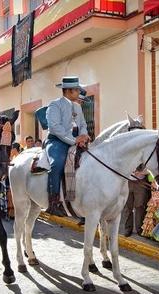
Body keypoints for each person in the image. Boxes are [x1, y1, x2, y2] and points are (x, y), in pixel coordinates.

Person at [44, 76, 90, 216]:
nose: (78, 92)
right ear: (69, 91)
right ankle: (54, 202)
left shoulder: (77, 106)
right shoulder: (55, 105)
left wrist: (82, 136)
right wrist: (74, 140)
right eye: (77, 90)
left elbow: (83, 124)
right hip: (57, 141)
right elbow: (55, 127)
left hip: (76, 140)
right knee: (57, 164)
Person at [121, 168, 150, 237]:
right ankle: (128, 228)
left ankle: (139, 229)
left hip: (141, 182)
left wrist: (142, 172)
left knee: (140, 206)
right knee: (128, 206)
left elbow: (151, 168)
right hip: (127, 181)